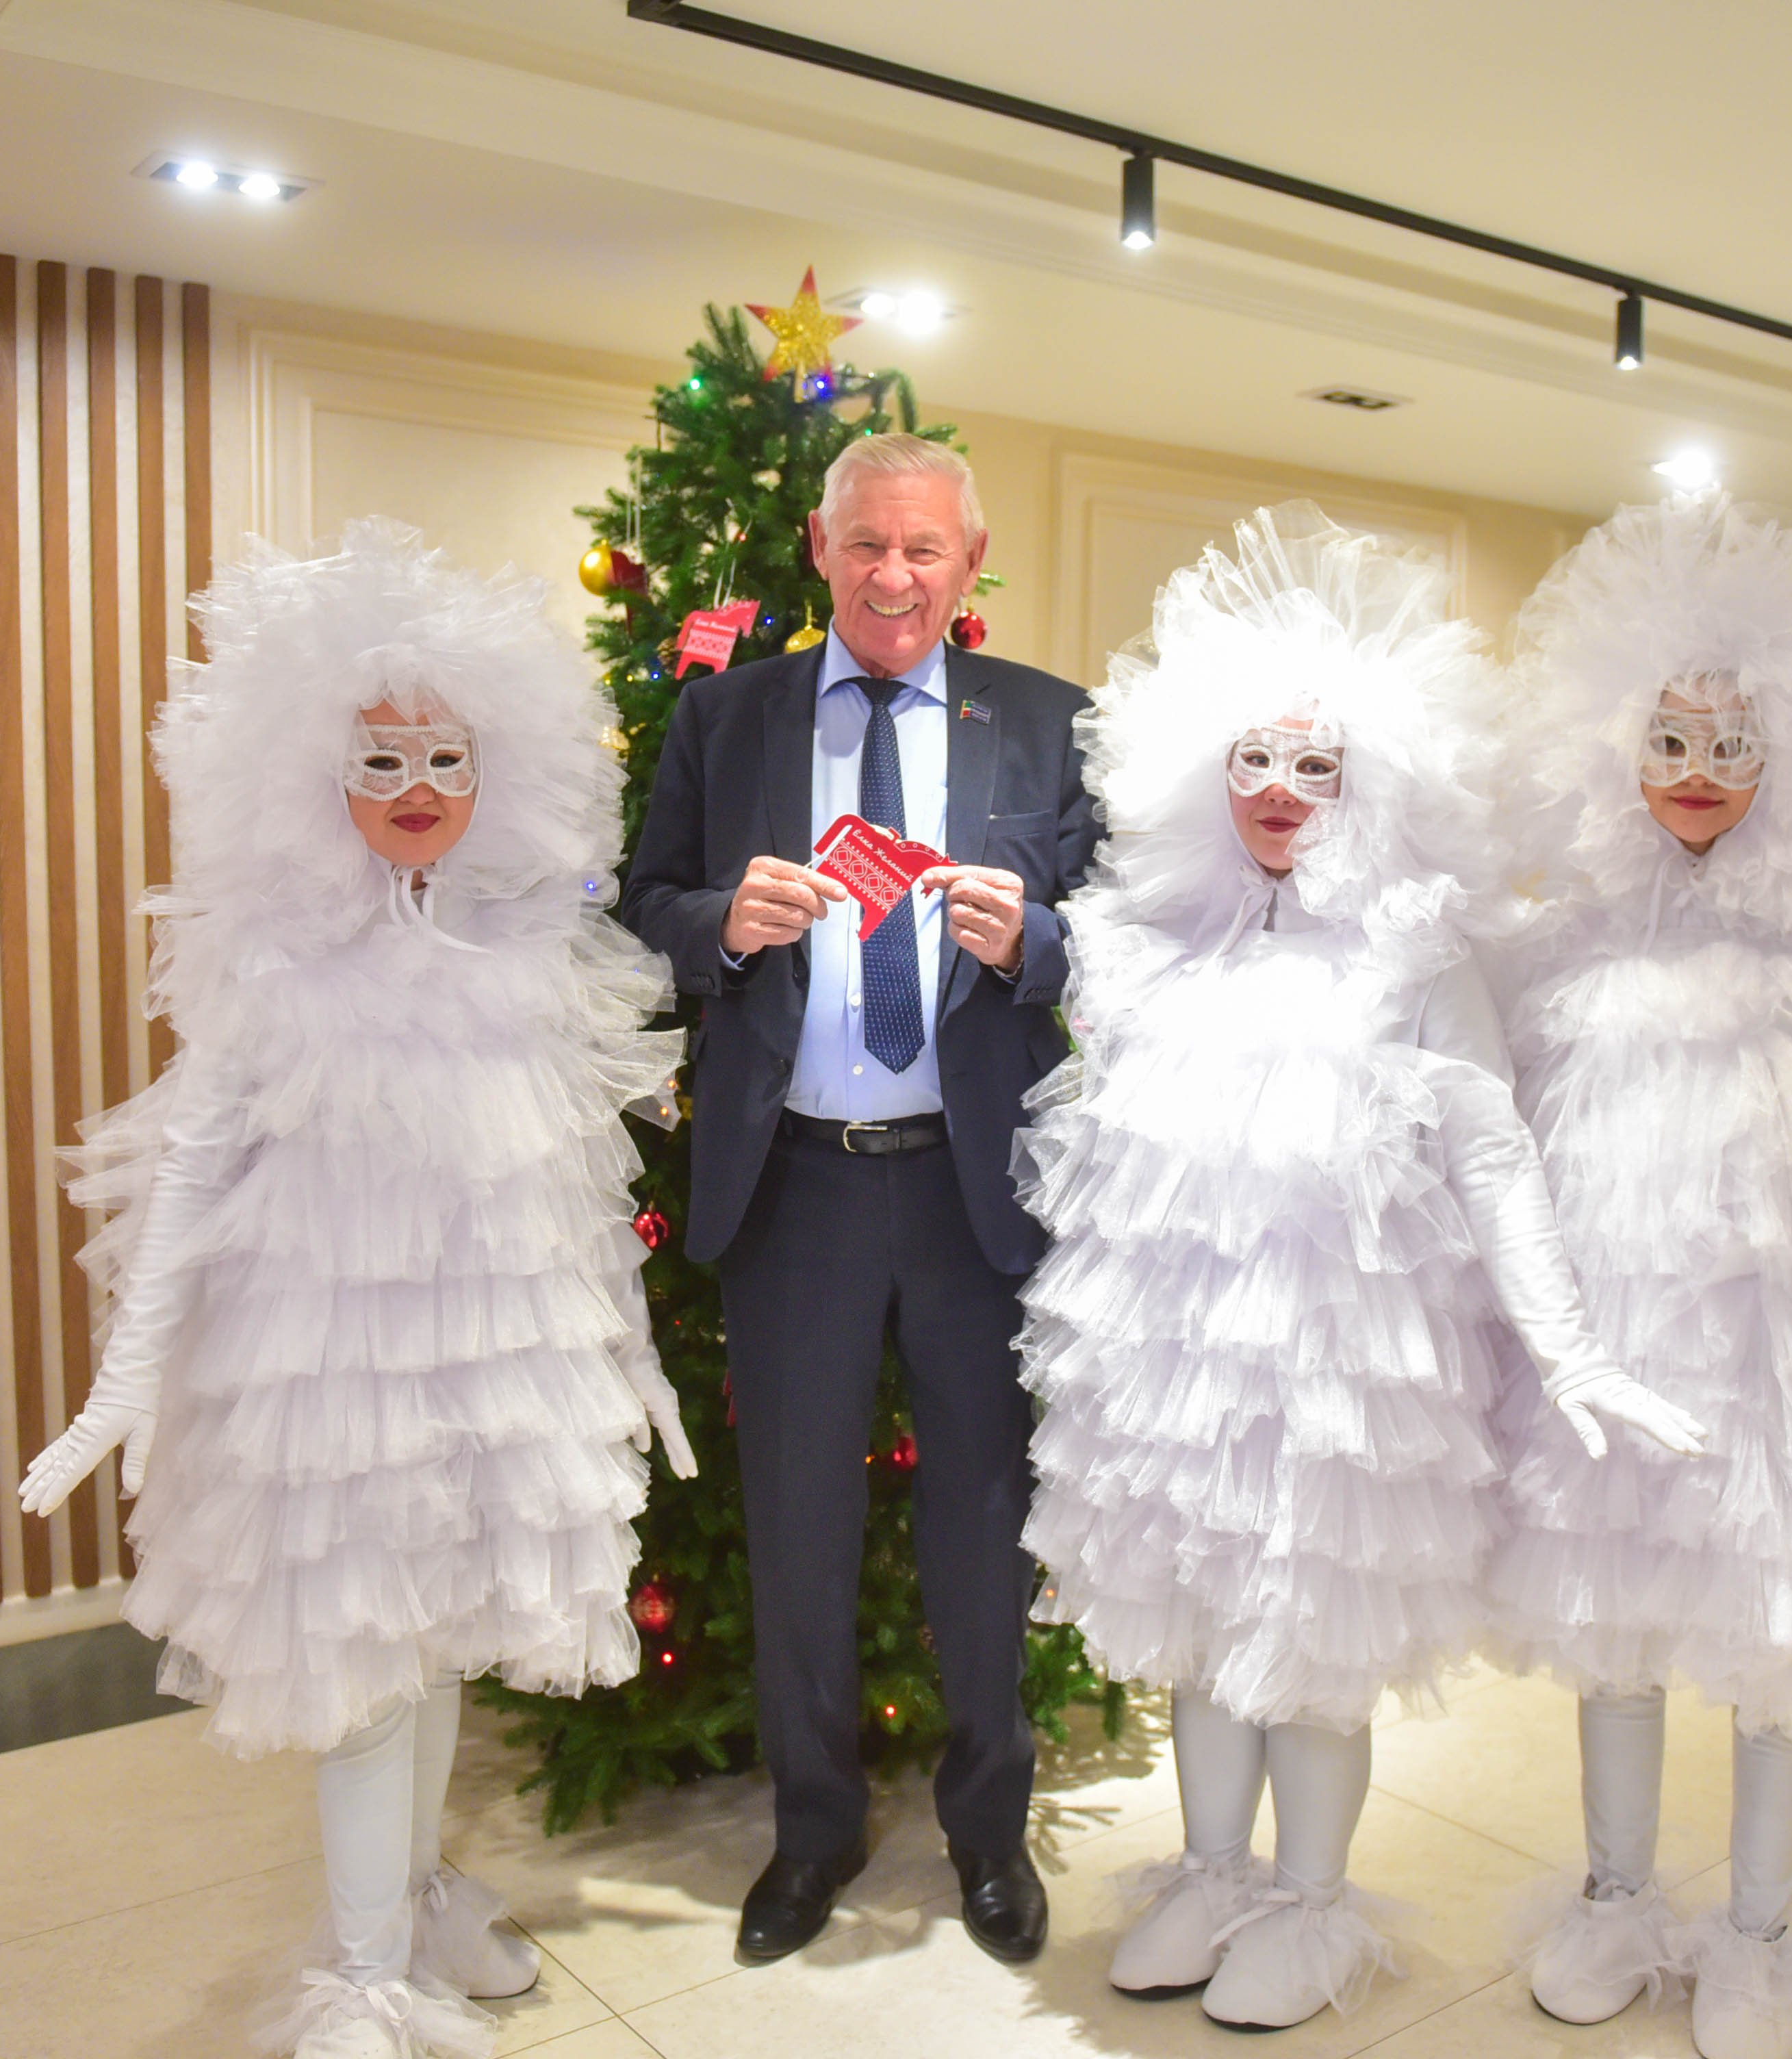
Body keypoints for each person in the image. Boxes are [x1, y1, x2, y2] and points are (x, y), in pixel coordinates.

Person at [1015, 505, 1707, 2031]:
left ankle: (1310, 1900)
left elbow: (1494, 1155)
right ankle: (1213, 1870)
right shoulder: (1162, 940)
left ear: (1376, 783)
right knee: (1200, 1619)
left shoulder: (1417, 955)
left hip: (1345, 1367)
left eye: (1317, 766)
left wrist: (1569, 1347)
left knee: (1309, 1626)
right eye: (1255, 759)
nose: (1279, 789)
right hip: (1186, 1359)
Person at [19, 522, 693, 2059]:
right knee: (364, 1670)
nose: (416, 789)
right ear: (314, 778)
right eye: (382, 761)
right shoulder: (277, 966)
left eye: (446, 759)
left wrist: (635, 1365)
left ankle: (416, 1891)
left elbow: (580, 1186)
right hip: (332, 1369)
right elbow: (194, 1164)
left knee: (438, 1643)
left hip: (487, 1363)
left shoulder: (528, 958)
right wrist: (126, 1379)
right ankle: (363, 1968)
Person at [1479, 492, 1792, 2059]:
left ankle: (1759, 1937)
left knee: (1780, 1637)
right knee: (1614, 1629)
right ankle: (1615, 1896)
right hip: (1619, 1357)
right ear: (1612, 749)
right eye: (1669, 739)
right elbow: (1520, 1162)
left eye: (1733, 744)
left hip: (1788, 1365)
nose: (1696, 771)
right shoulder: (1568, 948)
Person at [619, 433, 1095, 1968]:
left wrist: (1039, 945)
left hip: (975, 1191)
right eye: (868, 545)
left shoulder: (1050, 721)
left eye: (924, 548)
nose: (895, 576)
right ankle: (813, 1834)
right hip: (797, 1189)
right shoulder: (727, 713)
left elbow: (1123, 930)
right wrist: (722, 925)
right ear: (821, 550)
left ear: (971, 563)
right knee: (799, 1526)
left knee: (986, 1524)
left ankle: (990, 1835)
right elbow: (643, 905)